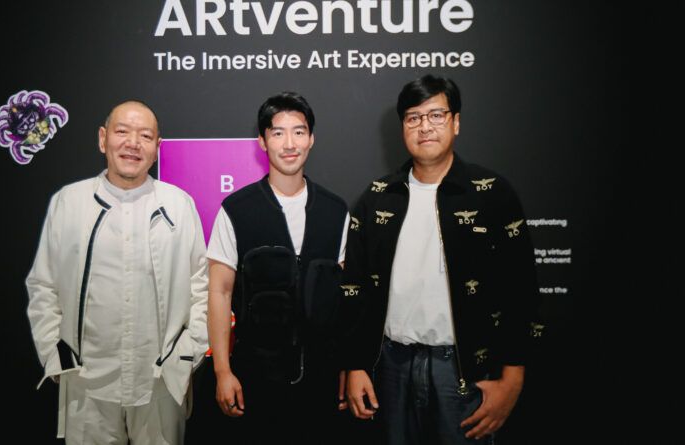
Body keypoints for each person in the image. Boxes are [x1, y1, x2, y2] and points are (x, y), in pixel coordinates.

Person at [342, 75, 544, 444]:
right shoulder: (376, 199)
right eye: (413, 118)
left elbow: (521, 289)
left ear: (456, 122)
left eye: (436, 115)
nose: (425, 127)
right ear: (403, 127)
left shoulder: (492, 194)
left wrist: (512, 380)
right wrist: (355, 365)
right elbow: (355, 288)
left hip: (465, 369)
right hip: (391, 367)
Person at [26, 101, 209, 445]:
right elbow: (43, 285)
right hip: (86, 384)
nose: (133, 143)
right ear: (102, 138)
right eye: (122, 132)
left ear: (157, 147)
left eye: (145, 136)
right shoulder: (69, 202)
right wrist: (55, 354)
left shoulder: (179, 204)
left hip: (161, 383)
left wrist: (186, 356)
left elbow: (202, 287)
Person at [206, 92, 350, 444]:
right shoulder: (236, 209)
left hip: (321, 379)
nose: (289, 144)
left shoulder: (336, 211)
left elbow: (345, 299)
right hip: (255, 378)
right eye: (278, 133)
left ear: (311, 139)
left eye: (299, 132)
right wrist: (222, 371)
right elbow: (220, 292)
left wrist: (348, 366)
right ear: (262, 141)